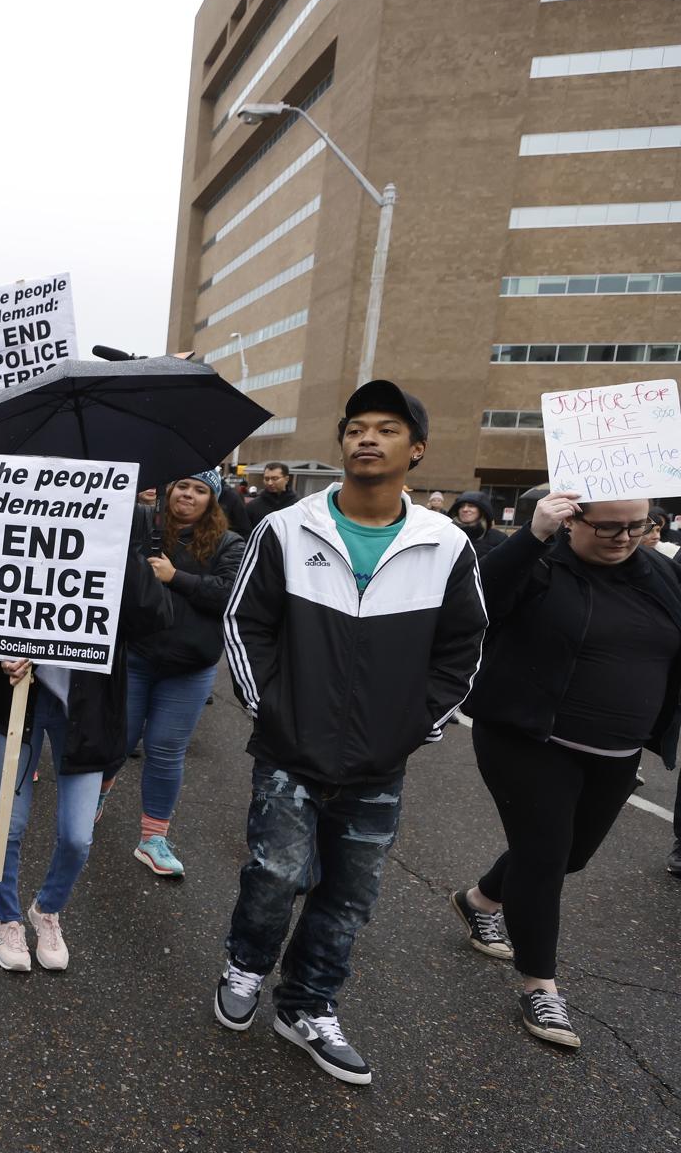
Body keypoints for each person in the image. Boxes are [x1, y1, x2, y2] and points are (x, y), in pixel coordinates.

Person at [216, 380, 486, 1086]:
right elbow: (246, 624)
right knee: (275, 872)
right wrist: (270, 710)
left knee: (349, 893)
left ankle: (307, 1004)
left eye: (388, 429)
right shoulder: (288, 527)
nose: (368, 437)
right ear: (341, 444)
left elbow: (463, 650)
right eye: (356, 427)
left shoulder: (446, 544)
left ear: (416, 449)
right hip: (287, 749)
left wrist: (410, 728)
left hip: (378, 763)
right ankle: (246, 962)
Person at [448, 491, 681, 1049]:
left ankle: (480, 900)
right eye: (608, 528)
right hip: (528, 737)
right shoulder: (540, 562)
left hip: (617, 750)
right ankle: (540, 986)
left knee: (569, 855)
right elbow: (477, 598)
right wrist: (532, 535)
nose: (624, 537)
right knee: (545, 854)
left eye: (636, 526)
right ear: (574, 521)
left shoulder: (661, 574)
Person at [0, 513, 172, 974]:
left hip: (87, 708)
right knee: (9, 822)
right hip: (17, 701)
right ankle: (7, 917)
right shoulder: (5, 533)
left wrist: (118, 551)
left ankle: (47, 909)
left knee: (77, 835)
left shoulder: (115, 546)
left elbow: (155, 617)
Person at [117, 470, 245, 878]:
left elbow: (232, 594)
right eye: (183, 486)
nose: (188, 495)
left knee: (165, 750)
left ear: (212, 499)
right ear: (170, 490)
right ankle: (93, 803)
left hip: (189, 668)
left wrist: (177, 577)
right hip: (135, 657)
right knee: (116, 740)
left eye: (200, 490)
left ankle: (153, 838)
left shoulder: (230, 543)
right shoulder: (143, 527)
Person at [448, 490, 508, 559]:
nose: (465, 509)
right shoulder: (449, 535)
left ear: (482, 510)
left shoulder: (498, 539)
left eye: (471, 506)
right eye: (461, 506)